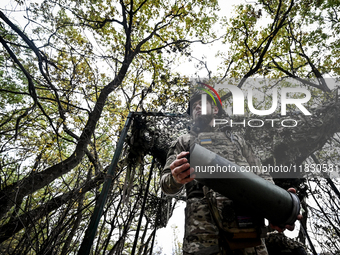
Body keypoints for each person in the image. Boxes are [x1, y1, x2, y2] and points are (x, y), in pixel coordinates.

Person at [161, 92, 301, 255]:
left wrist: (278, 206)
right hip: (203, 237)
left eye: (202, 103)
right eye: (193, 107)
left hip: (247, 233)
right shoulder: (183, 142)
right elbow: (166, 184)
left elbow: (262, 176)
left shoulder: (237, 141)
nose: (197, 107)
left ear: (215, 110)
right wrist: (175, 178)